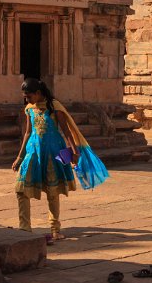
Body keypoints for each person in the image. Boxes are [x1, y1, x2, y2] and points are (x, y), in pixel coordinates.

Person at [12, 77, 108, 243]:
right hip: (33, 152)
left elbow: (67, 131)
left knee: (52, 191)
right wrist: (19, 157)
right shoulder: (29, 109)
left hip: (53, 153)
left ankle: (55, 229)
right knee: (21, 189)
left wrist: (74, 152)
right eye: (25, 97)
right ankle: (24, 228)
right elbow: (27, 132)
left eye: (29, 96)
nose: (26, 99)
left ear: (38, 93)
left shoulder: (54, 107)